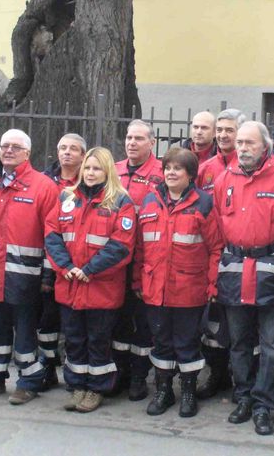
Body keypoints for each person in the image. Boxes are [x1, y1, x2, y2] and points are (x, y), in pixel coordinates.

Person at [213, 121, 274, 436]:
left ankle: (264, 406)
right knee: (239, 342)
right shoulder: (224, 180)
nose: (242, 148)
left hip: (271, 272)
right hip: (235, 271)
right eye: (239, 143)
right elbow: (217, 230)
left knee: (272, 345)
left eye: (249, 143)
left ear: (266, 146)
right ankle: (244, 397)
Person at [0, 129, 59, 405]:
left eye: (16, 147)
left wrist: (48, 276)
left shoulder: (43, 187)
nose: (8, 150)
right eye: (4, 146)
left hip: (27, 279)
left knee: (26, 333)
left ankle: (29, 382)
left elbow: (52, 236)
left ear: (27, 153)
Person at [133, 147, 224, 417]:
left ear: (191, 174)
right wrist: (138, 281)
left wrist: (212, 286)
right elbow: (140, 248)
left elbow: (216, 248)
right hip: (155, 290)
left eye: (178, 169)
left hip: (189, 290)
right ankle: (164, 391)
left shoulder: (204, 203)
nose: (171, 173)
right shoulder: (150, 201)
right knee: (161, 343)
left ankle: (188, 392)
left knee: (187, 343)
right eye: (168, 168)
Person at [45, 147, 136, 413]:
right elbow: (52, 235)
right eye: (87, 167)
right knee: (74, 340)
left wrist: (89, 269)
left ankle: (96, 389)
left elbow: (121, 246)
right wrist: (66, 267)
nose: (90, 173)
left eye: (97, 168)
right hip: (70, 284)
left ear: (107, 171)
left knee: (98, 341)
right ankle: (77, 386)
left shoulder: (121, 201)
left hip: (101, 288)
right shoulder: (66, 197)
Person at [194, 108, 246, 401]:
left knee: (240, 323)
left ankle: (243, 380)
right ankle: (217, 374)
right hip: (212, 254)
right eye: (220, 130)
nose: (224, 135)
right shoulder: (207, 168)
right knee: (213, 321)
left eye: (230, 130)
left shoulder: (248, 165)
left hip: (241, 256)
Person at [113, 120, 164, 401]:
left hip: (146, 259)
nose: (132, 143)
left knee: (143, 322)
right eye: (129, 137)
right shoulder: (114, 170)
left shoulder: (161, 173)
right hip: (117, 258)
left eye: (139, 138)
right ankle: (119, 372)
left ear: (152, 143)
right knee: (119, 320)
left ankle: (139, 377)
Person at [39, 133, 87, 390]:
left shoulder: (89, 180)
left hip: (77, 264)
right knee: (46, 319)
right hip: (47, 258)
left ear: (83, 155)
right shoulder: (44, 181)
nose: (67, 152)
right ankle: (48, 367)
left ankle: (74, 370)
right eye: (63, 148)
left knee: (74, 323)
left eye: (74, 149)